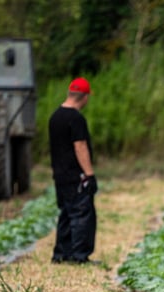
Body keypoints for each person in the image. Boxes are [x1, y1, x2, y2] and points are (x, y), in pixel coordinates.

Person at [48, 77, 99, 264]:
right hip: (75, 175)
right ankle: (79, 255)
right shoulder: (76, 118)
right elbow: (80, 146)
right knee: (81, 215)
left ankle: (61, 253)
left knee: (66, 214)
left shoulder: (55, 117)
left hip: (59, 175)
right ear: (84, 97)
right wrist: (89, 174)